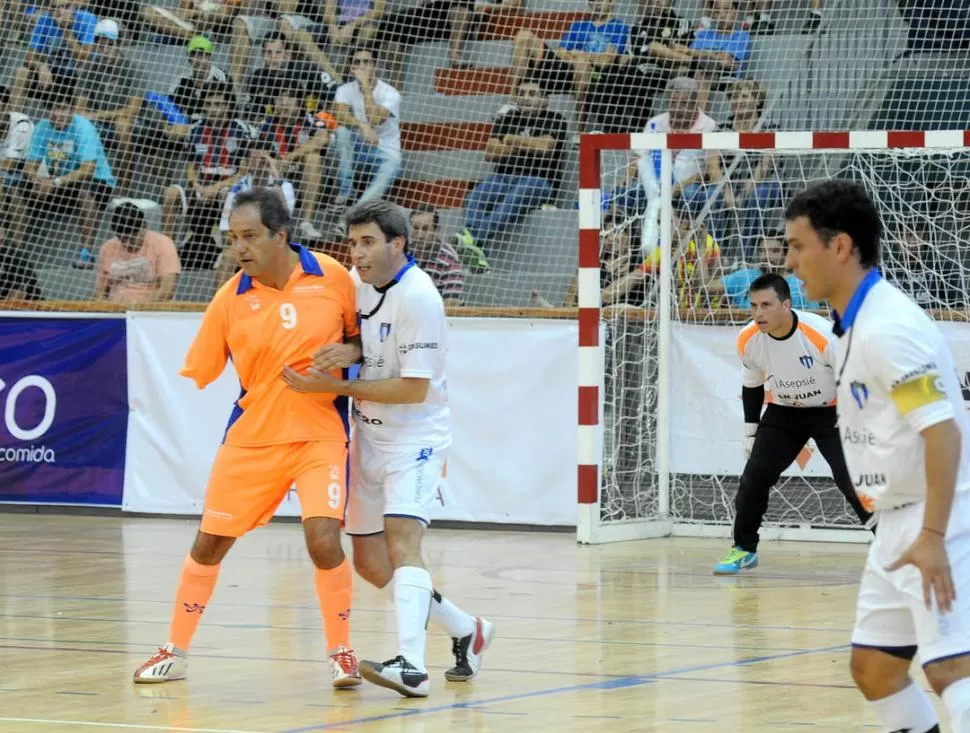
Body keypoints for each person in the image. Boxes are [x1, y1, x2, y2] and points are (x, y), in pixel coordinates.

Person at [132, 187, 363, 689]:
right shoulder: (229, 298)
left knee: (323, 539)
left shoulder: (335, 278)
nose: (239, 247)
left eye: (250, 236)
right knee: (209, 543)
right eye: (232, 238)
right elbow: (199, 368)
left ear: (281, 236)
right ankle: (174, 648)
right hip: (252, 438)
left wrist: (351, 354)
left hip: (319, 435)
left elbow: (365, 339)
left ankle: (341, 651)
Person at [282, 199, 494, 698]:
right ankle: (467, 628)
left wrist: (332, 388)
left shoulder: (420, 297)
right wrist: (352, 352)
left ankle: (411, 666)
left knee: (403, 545)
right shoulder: (359, 285)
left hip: (414, 439)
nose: (356, 253)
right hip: (368, 438)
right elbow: (373, 343)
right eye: (352, 242)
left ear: (398, 243)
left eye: (368, 242)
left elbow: (412, 388)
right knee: (373, 566)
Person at [785, 179, 970, 733]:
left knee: (952, 670)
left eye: (797, 246)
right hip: (893, 524)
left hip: (940, 517)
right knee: (875, 670)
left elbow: (942, 433)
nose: (789, 262)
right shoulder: (850, 326)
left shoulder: (888, 329)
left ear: (840, 246)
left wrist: (934, 537)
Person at [713, 272, 872, 574]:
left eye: (766, 305)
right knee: (753, 479)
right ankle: (744, 549)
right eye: (754, 305)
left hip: (834, 412)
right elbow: (752, 385)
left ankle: (893, 551)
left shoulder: (822, 335)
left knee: (852, 481)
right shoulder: (748, 339)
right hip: (784, 413)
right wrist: (750, 432)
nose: (758, 313)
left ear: (786, 305)